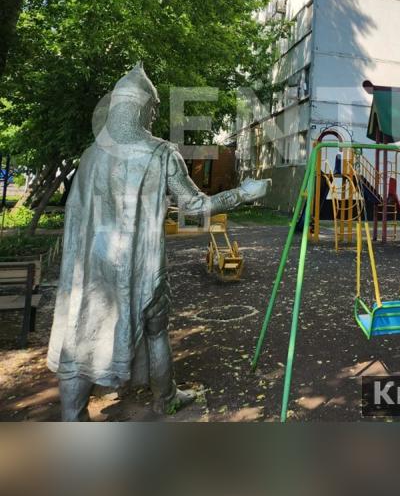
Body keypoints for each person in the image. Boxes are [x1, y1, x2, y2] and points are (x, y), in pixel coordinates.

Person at [47, 64, 269, 420]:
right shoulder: (161, 153)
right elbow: (196, 206)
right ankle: (165, 397)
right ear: (141, 109)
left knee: (82, 329)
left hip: (91, 263)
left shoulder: (90, 156)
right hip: (140, 263)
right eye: (152, 109)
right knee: (155, 328)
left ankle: (72, 416)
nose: (153, 116)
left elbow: (78, 215)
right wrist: (243, 193)